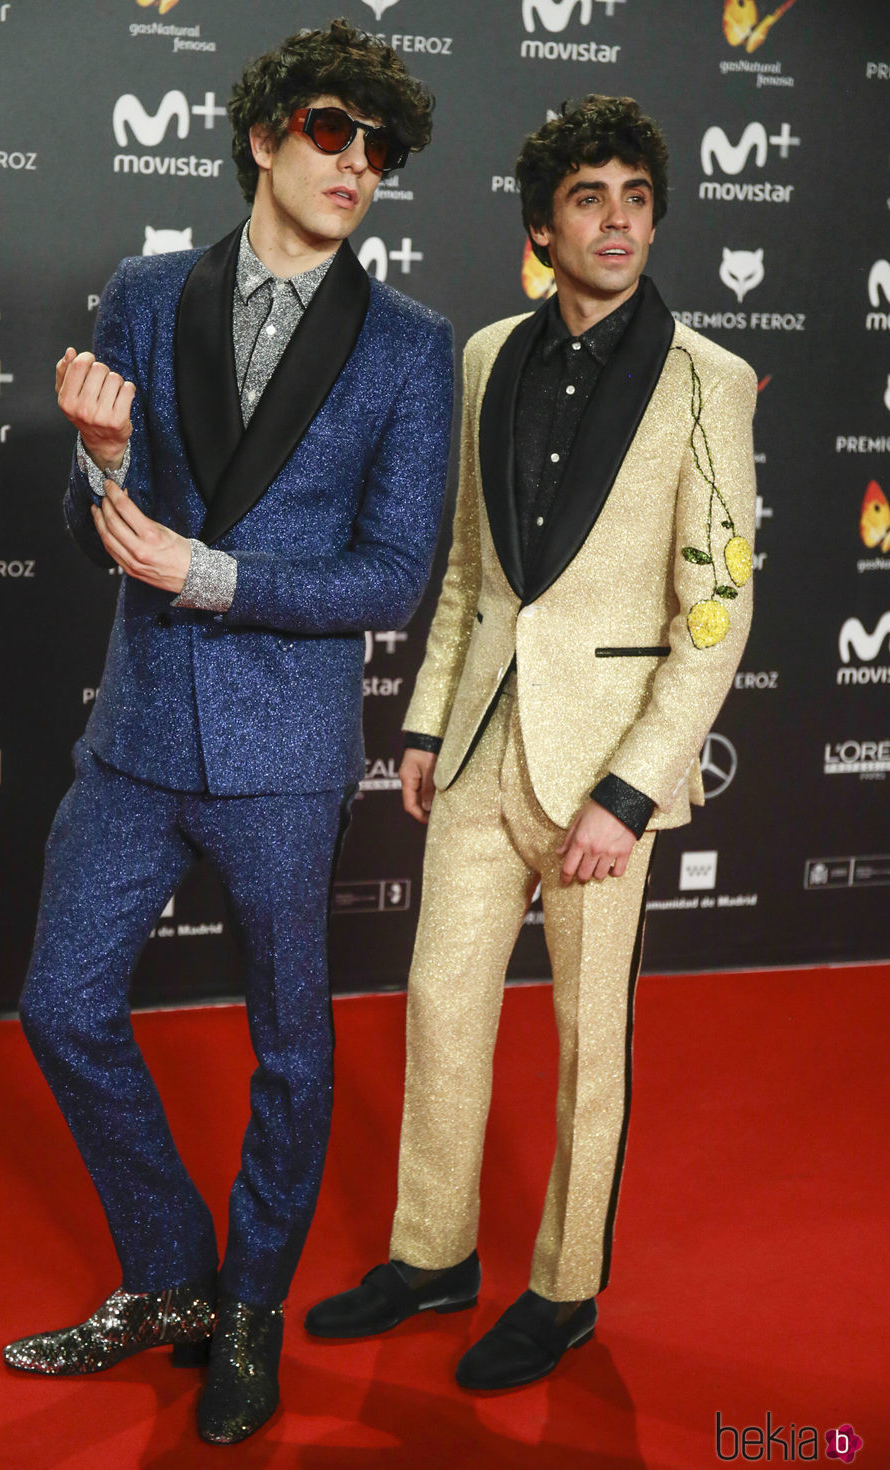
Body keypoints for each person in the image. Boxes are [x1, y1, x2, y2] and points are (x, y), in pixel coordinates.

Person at [2, 19, 452, 1446]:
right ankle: (171, 1276)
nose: (356, 165)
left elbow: (395, 574)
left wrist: (213, 574)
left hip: (283, 748)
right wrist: (106, 463)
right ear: (264, 136)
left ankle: (250, 1304)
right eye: (332, 131)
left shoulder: (411, 346)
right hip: (136, 732)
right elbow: (97, 541)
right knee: (60, 1005)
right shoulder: (143, 292)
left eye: (378, 149)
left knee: (291, 1050)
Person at [306, 95, 757, 1393]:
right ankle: (432, 1251)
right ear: (543, 225)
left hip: (603, 771)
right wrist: (430, 721)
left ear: (655, 216)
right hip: (480, 753)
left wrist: (633, 789)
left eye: (634, 197)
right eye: (587, 198)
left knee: (584, 1038)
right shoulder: (488, 354)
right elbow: (466, 571)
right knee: (442, 1008)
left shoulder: (707, 381)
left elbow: (715, 616)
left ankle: (562, 1289)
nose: (616, 221)